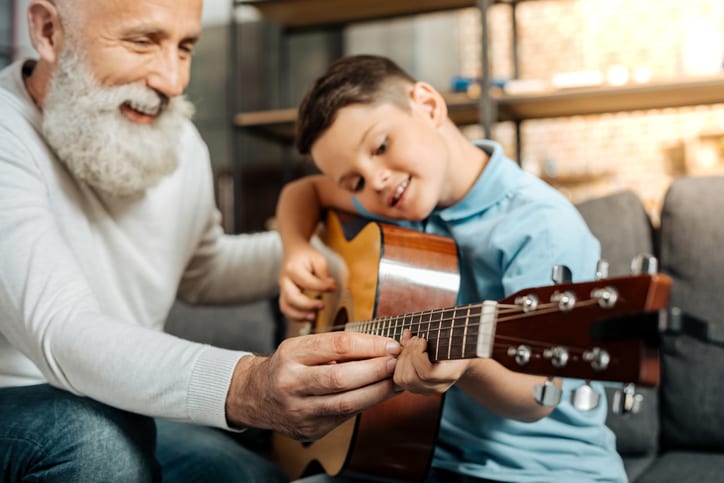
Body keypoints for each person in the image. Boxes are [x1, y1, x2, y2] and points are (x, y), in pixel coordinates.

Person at [0, 3, 403, 482]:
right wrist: (246, 385)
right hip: (19, 400)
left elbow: (204, 269)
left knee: (260, 478)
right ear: (49, 31)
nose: (172, 81)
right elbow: (61, 328)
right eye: (142, 42)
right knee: (95, 444)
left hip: (115, 404)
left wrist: (310, 249)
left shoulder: (178, 139)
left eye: (186, 47)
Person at [275, 54, 628, 483]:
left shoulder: (541, 226)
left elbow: (539, 395)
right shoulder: (396, 205)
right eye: (354, 183)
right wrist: (294, 248)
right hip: (412, 458)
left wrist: (468, 366)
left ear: (427, 105)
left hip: (538, 471)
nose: (377, 181)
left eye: (381, 146)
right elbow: (303, 191)